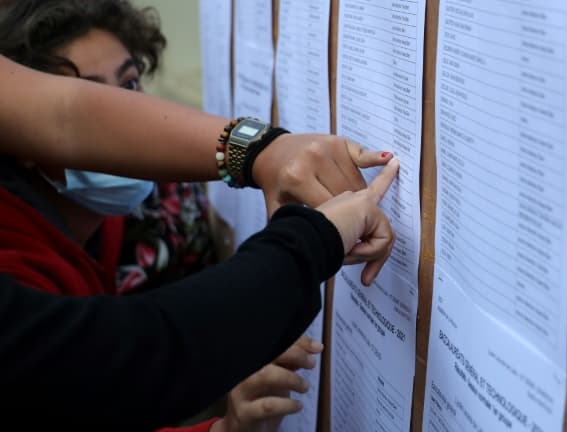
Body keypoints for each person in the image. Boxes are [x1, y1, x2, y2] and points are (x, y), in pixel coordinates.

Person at [0, 40, 398, 432]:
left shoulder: (95, 235)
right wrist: (312, 240)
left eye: (128, 86)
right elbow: (115, 360)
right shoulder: (20, 255)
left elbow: (61, 115)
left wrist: (263, 150)